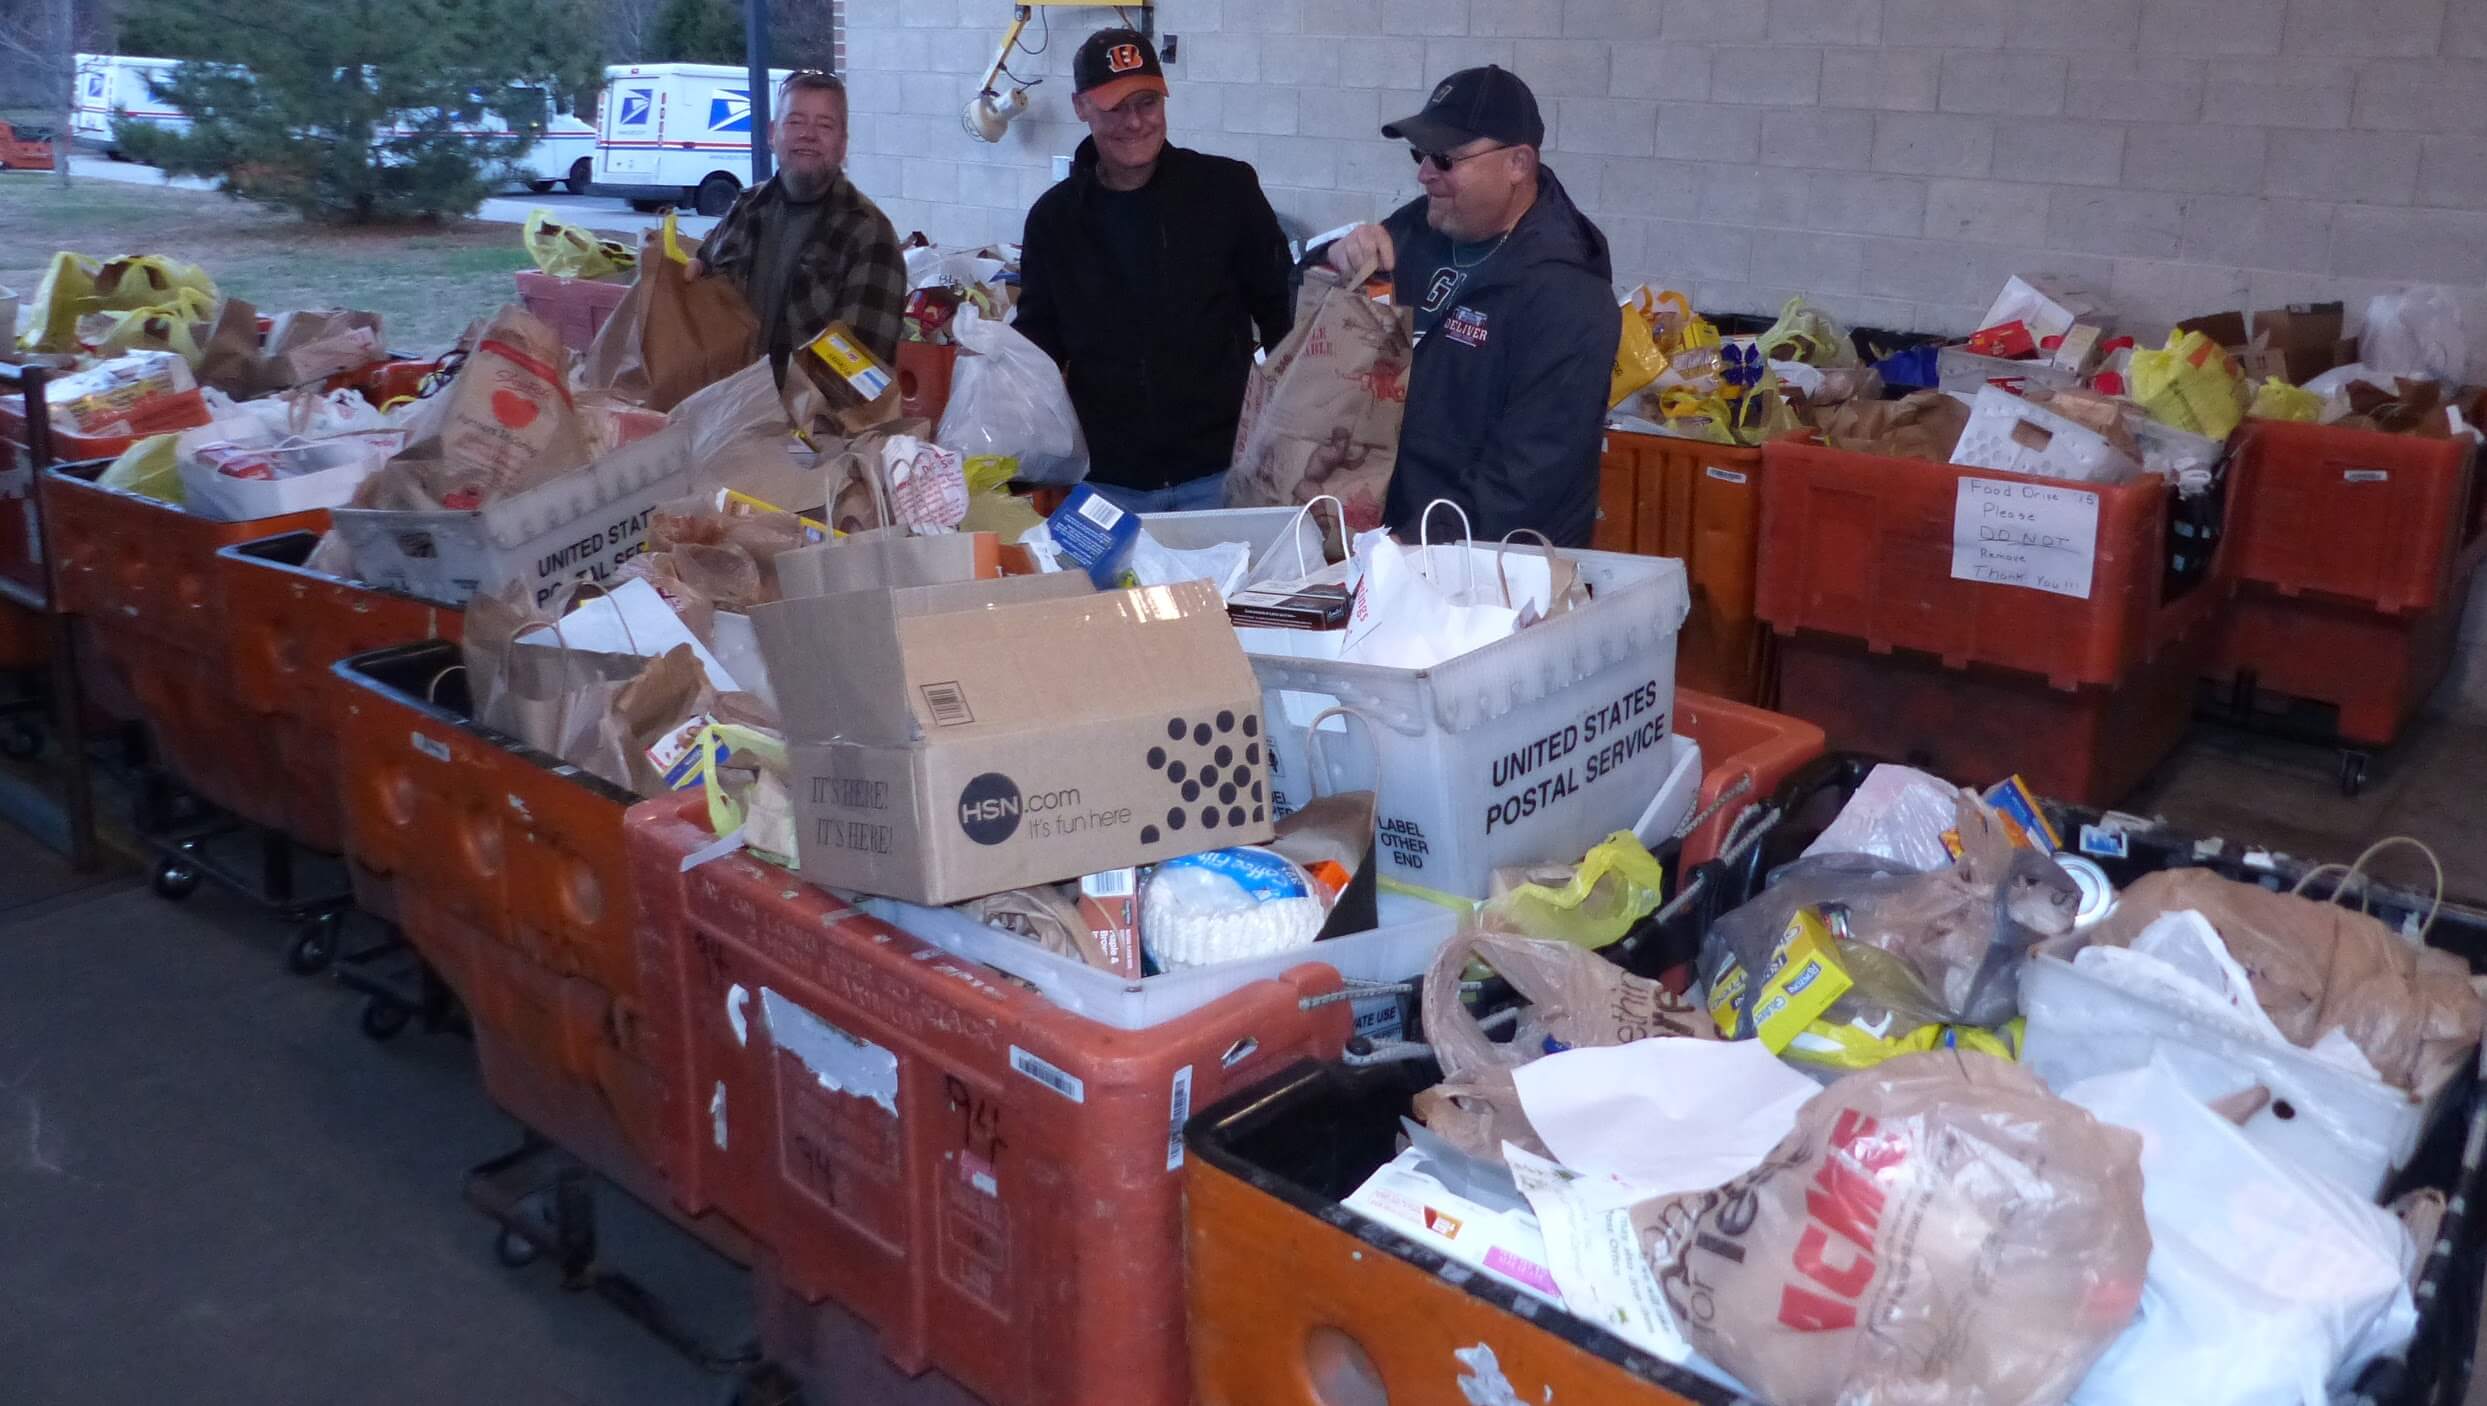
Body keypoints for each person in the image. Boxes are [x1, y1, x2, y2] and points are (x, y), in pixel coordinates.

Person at [1326, 65, 1617, 547]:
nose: (1423, 175)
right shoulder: (1417, 229)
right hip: (1391, 541)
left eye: (1444, 158)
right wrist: (1337, 255)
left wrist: (1414, 546)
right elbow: (1309, 298)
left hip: (1491, 571)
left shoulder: (1569, 294)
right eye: (1420, 154)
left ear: (1517, 164)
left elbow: (1530, 475)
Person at [1016, 28, 1294, 514]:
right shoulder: (1054, 220)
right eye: (1115, 107)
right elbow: (1038, 346)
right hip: (1106, 486)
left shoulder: (1226, 191)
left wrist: (1290, 436)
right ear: (1080, 106)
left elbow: (1284, 316)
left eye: (1147, 102)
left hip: (1223, 476)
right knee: (1107, 594)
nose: (1135, 122)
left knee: (1221, 594)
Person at [689, 70, 908, 371]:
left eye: (825, 125)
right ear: (772, 134)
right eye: (795, 121)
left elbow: (861, 369)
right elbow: (700, 286)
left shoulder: (870, 235)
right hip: (722, 403)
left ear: (843, 145)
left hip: (809, 415)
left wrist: (788, 409)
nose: (808, 134)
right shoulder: (745, 208)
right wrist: (684, 272)